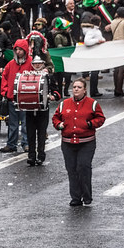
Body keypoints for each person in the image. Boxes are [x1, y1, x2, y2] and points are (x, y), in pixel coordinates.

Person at [52, 77, 105, 207]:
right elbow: (55, 118)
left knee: (83, 167)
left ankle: (87, 196)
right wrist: (59, 125)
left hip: (86, 142)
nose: (76, 89)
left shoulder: (93, 103)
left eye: (79, 87)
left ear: (84, 90)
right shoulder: (64, 104)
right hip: (68, 142)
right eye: (74, 87)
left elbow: (101, 118)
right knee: (72, 169)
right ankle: (76, 198)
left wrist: (90, 124)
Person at [25, 56, 61, 166]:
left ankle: (41, 155)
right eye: (35, 64)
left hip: (43, 109)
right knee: (30, 133)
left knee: (41, 133)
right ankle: (31, 156)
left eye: (39, 63)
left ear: (43, 64)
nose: (37, 65)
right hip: (30, 108)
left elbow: (57, 92)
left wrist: (53, 96)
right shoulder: (28, 76)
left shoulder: (48, 77)